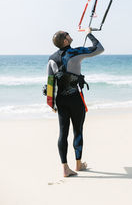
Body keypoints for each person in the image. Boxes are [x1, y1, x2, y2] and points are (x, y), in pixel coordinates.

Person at [46, 27, 104, 177]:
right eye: (67, 34)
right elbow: (99, 48)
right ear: (65, 40)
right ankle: (78, 164)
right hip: (75, 99)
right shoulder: (76, 52)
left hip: (60, 100)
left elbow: (50, 82)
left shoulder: (51, 58)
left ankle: (65, 168)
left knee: (62, 133)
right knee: (77, 130)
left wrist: (51, 104)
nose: (70, 35)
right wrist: (89, 34)